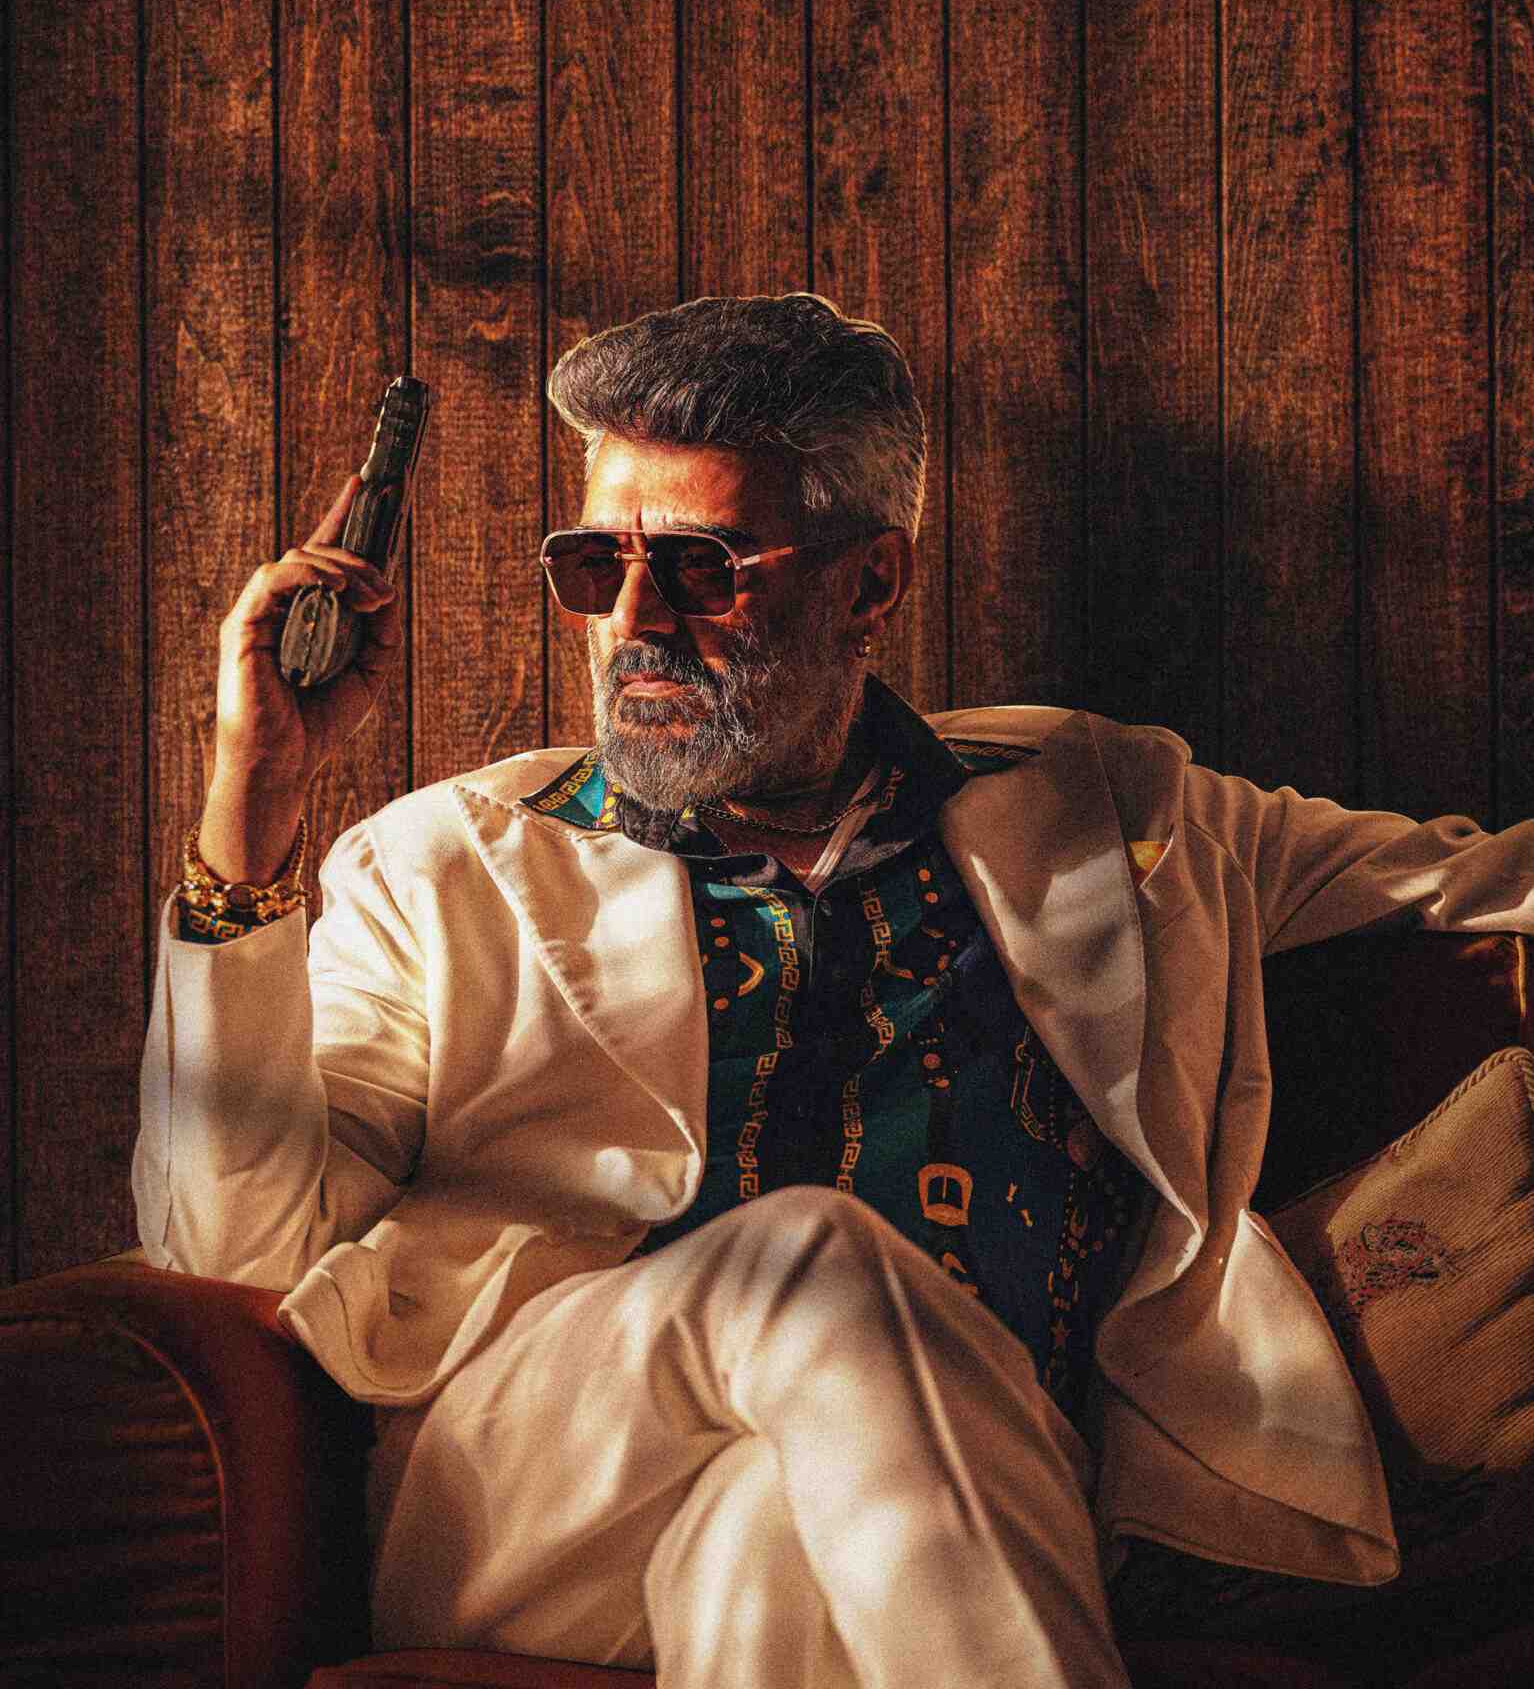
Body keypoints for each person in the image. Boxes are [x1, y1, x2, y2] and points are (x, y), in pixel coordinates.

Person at [135, 291, 1534, 1688]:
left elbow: (1481, 883)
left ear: (870, 584)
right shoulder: (445, 865)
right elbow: (238, 1247)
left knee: (779, 1537)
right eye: (595, 564)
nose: (633, 622)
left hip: (954, 1499)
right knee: (816, 1259)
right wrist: (252, 802)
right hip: (544, 1493)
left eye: (701, 569)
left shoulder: (1109, 806)